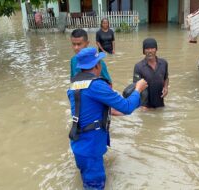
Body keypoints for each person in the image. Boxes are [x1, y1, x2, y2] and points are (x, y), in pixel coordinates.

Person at [67, 47, 148, 190]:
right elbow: (127, 107)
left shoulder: (74, 86)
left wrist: (115, 111)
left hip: (79, 144)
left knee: (87, 179)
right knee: (95, 186)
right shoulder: (97, 85)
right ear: (97, 66)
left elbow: (88, 109)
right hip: (91, 148)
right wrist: (138, 90)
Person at [133, 38, 169, 110]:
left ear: (156, 49)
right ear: (143, 51)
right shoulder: (138, 67)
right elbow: (136, 87)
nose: (150, 51)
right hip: (145, 107)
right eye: (147, 49)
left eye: (152, 48)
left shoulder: (163, 63)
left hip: (160, 105)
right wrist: (141, 106)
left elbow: (166, 78)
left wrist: (165, 87)